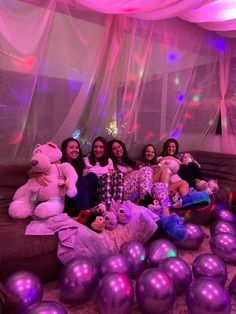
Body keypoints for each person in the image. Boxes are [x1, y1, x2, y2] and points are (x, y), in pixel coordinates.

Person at [108, 139, 171, 215]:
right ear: (111, 152)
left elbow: (139, 177)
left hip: (137, 190)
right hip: (122, 192)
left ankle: (166, 217)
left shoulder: (129, 162)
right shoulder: (111, 163)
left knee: (159, 185)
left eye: (119, 147)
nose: (118, 149)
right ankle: (145, 200)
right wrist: (133, 173)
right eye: (114, 149)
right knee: (146, 169)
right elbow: (115, 182)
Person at [61, 137, 98, 216]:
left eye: (77, 148)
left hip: (78, 196)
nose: (75, 150)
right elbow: (31, 171)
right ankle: (84, 214)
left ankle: (83, 207)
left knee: (92, 176)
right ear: (64, 150)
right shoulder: (59, 163)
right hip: (65, 195)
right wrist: (38, 175)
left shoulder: (78, 163)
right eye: (71, 147)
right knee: (81, 179)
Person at [84, 136, 124, 206]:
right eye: (95, 147)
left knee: (119, 174)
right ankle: (107, 205)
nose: (98, 149)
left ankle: (117, 204)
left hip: (105, 189)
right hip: (93, 190)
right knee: (105, 176)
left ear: (105, 149)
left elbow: (112, 178)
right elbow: (84, 178)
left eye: (101, 147)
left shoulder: (109, 160)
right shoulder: (86, 160)